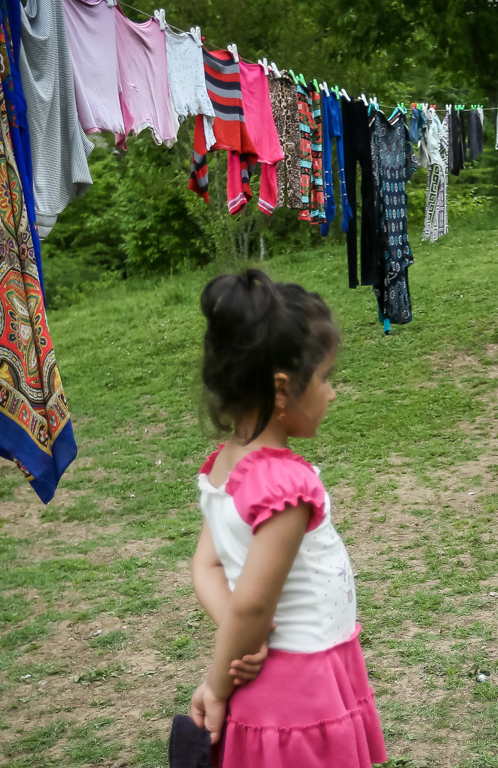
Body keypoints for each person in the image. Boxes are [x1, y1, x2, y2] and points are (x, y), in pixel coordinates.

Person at [188, 269, 387, 766]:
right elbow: (252, 607)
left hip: (269, 686)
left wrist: (242, 638)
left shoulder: (223, 468)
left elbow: (207, 568)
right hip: (301, 689)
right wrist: (217, 683)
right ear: (282, 389)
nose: (332, 392)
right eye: (324, 378)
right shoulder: (286, 486)